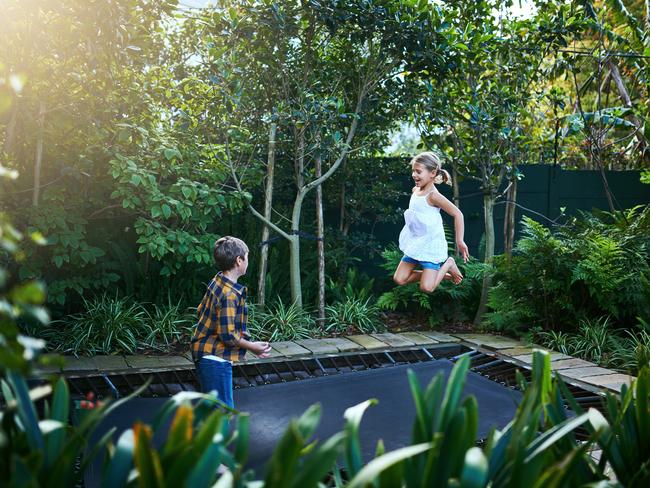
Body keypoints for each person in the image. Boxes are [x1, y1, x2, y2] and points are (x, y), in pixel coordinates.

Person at [191, 236, 271, 408]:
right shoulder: (229, 294)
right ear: (239, 260)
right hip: (214, 359)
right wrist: (252, 347)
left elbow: (200, 310)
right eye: (247, 257)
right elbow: (227, 335)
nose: (248, 261)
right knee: (221, 412)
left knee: (213, 412)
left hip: (205, 353)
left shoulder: (217, 280)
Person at [393, 151, 470, 293]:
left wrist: (460, 241)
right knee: (399, 279)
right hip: (416, 243)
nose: (414, 175)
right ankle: (443, 276)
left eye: (418, 172)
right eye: (413, 171)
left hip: (430, 245)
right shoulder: (415, 190)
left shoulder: (434, 196)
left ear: (432, 173)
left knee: (427, 287)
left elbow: (458, 214)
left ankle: (449, 263)